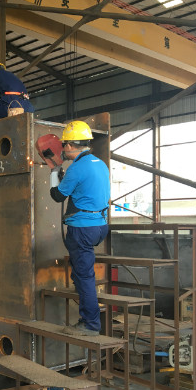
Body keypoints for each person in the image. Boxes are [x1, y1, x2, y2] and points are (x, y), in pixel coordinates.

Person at [49, 120, 110, 336]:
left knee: (85, 277)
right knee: (80, 273)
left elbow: (57, 196)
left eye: (64, 145)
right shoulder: (100, 163)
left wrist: (54, 172)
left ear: (70, 145)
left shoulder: (76, 168)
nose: (63, 149)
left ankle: (90, 323)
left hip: (83, 229)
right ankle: (85, 300)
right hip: (100, 226)